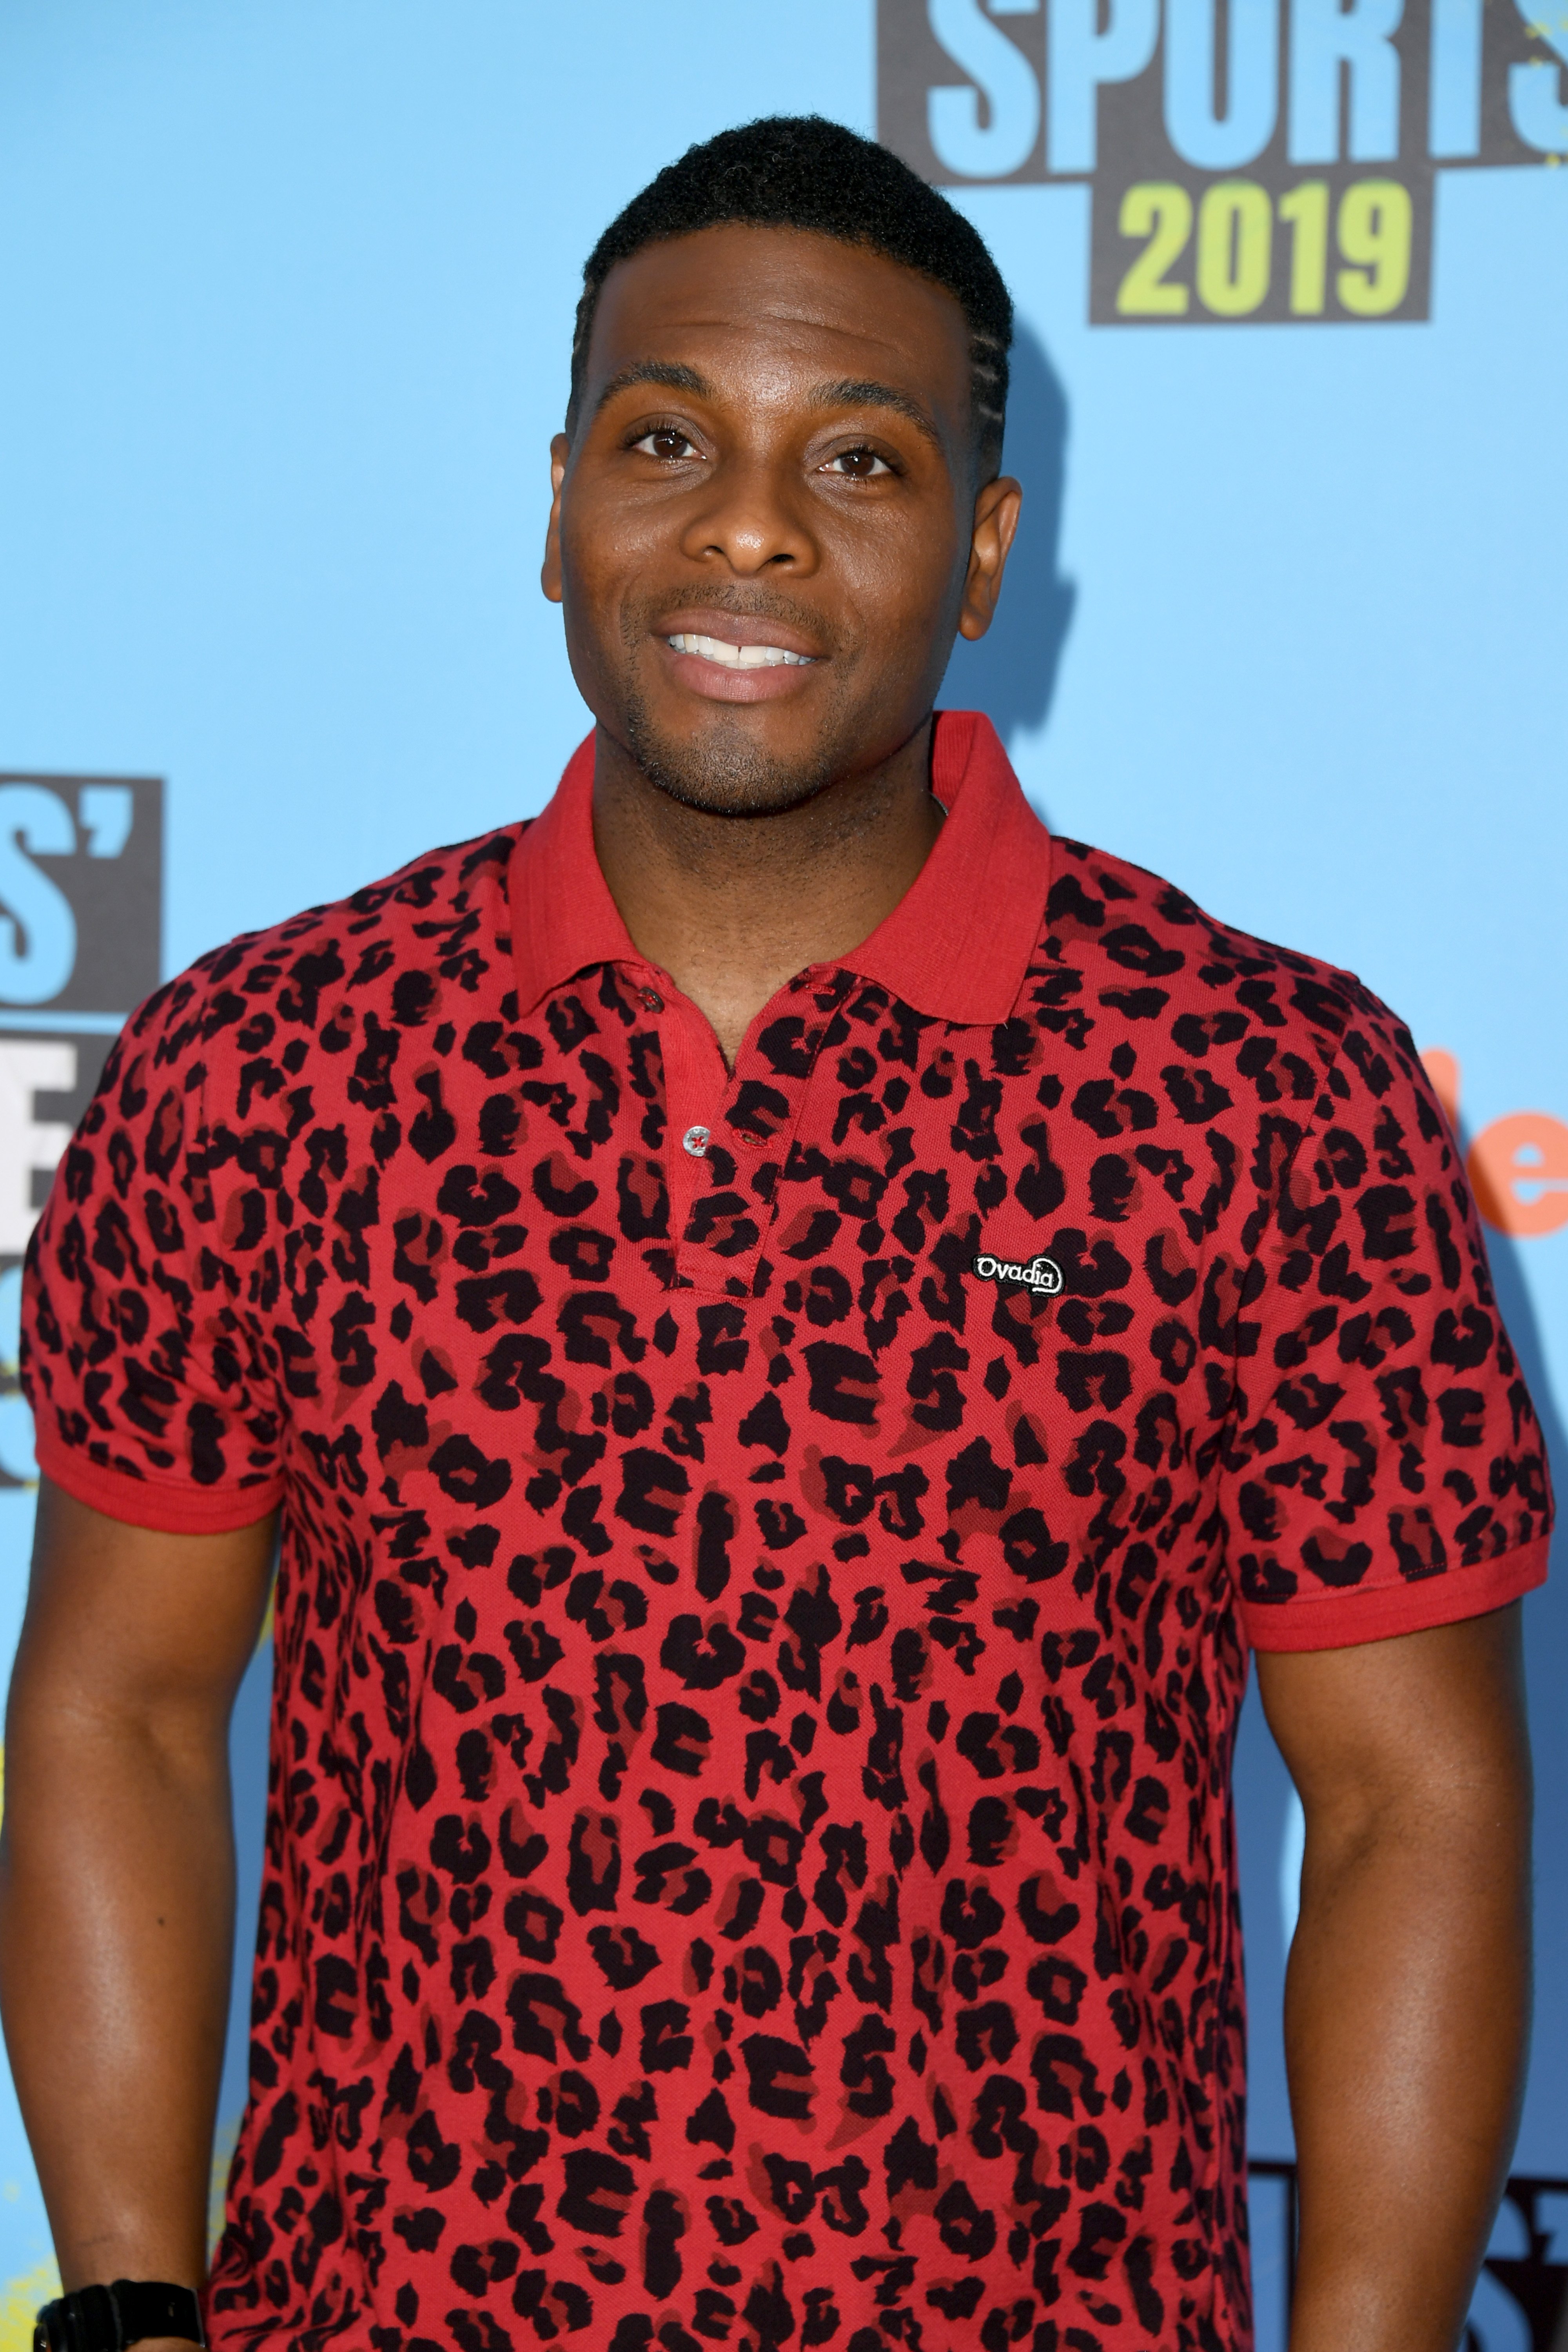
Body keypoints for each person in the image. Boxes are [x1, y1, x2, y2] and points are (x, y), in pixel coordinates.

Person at [0, 114, 1543, 2352]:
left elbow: (1414, 1805)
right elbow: (119, 1711)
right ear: (554, 507)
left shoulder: (1262, 1090)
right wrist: (138, 2313)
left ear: (988, 552)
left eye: (859, 463)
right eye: (665, 437)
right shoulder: (267, 1065)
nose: (743, 526)